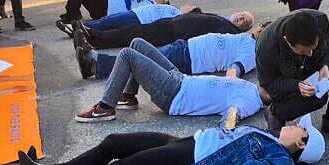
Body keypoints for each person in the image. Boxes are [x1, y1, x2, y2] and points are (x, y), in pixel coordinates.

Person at [17, 114, 322, 165]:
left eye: (300, 129)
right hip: (187, 142)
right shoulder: (268, 136)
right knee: (112, 142)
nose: (294, 125)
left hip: (190, 163)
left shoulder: (280, 159)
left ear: (302, 145)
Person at [73, 38, 269, 123]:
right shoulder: (250, 88)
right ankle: (127, 96)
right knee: (137, 44)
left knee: (127, 55)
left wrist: (226, 130)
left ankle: (106, 107)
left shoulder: (252, 102)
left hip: (175, 94)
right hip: (181, 79)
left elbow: (231, 117)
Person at [255, 9, 329, 137]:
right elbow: (269, 84)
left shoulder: (320, 20)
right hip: (288, 80)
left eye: (313, 48)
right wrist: (297, 85)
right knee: (318, 98)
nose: (310, 53)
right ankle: (275, 112)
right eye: (302, 51)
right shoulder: (266, 46)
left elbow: (327, 49)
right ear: (287, 41)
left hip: (311, 70)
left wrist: (326, 65)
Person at [75, 29, 260, 82]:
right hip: (184, 49)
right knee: (138, 56)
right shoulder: (245, 38)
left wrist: (229, 83)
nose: (260, 30)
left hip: (187, 60)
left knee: (138, 60)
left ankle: (94, 62)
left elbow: (236, 69)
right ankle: (94, 61)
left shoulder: (253, 50)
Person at [75, 9, 254, 50]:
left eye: (244, 21)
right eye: (241, 14)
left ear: (243, 28)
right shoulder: (221, 18)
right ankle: (94, 35)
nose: (240, 18)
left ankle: (94, 38)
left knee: (132, 35)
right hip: (171, 23)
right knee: (133, 30)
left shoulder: (231, 32)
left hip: (173, 34)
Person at [57, 0, 165, 31]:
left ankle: (72, 17)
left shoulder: (151, 6)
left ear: (162, 4)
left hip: (107, 7)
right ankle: (74, 16)